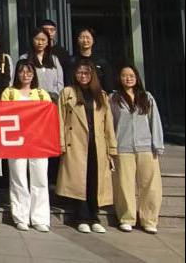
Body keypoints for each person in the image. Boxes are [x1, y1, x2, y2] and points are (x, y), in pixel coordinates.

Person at [57, 58, 117, 234]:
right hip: (76, 143)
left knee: (94, 180)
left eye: (86, 73)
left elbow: (108, 123)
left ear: (92, 75)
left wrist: (112, 147)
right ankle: (81, 218)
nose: (83, 76)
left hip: (97, 144)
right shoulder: (67, 92)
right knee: (79, 181)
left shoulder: (101, 95)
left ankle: (94, 217)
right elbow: (60, 120)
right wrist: (61, 143)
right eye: (79, 72)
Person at [110, 65, 163, 234]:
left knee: (151, 185)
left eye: (131, 75)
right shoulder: (114, 99)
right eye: (124, 75)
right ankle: (127, 218)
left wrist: (157, 144)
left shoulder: (146, 97)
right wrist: (111, 147)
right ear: (119, 78)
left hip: (146, 148)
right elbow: (110, 124)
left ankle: (149, 219)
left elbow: (154, 121)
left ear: (137, 77)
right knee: (124, 185)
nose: (128, 78)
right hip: (123, 148)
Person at [1, 63, 53, 232]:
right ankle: (21, 216)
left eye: (29, 72)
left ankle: (40, 218)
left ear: (33, 74)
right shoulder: (9, 93)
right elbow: (4, 115)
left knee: (40, 179)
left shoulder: (41, 93)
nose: (25, 75)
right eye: (22, 72)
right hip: (16, 141)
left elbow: (48, 117)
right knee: (18, 179)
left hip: (38, 141)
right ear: (16, 74)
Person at [17, 29, 65, 100]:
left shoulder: (54, 59)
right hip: (33, 99)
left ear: (47, 42)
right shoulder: (24, 58)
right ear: (32, 40)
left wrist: (55, 95)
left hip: (53, 98)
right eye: (37, 39)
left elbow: (60, 82)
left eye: (43, 40)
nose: (40, 43)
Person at [72, 28, 111, 92]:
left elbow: (108, 84)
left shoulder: (102, 62)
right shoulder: (72, 61)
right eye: (82, 37)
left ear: (93, 40)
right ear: (78, 40)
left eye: (88, 38)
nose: (85, 40)